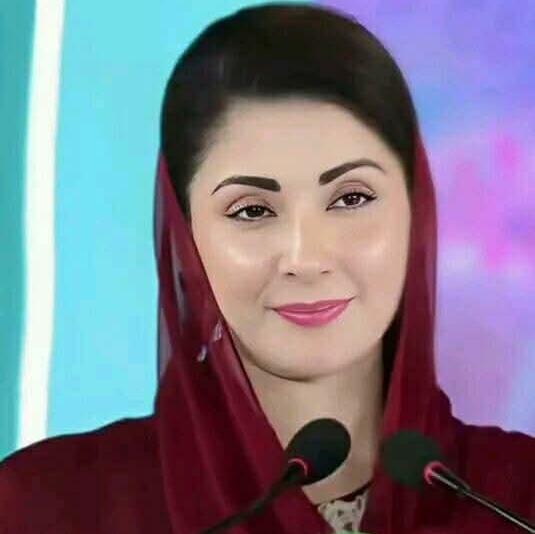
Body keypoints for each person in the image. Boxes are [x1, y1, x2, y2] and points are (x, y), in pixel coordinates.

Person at [0, 3, 533, 533]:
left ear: (415, 212)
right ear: (186, 237)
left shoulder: (516, 498)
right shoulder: (49, 506)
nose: (306, 258)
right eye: (252, 211)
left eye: (351, 198)